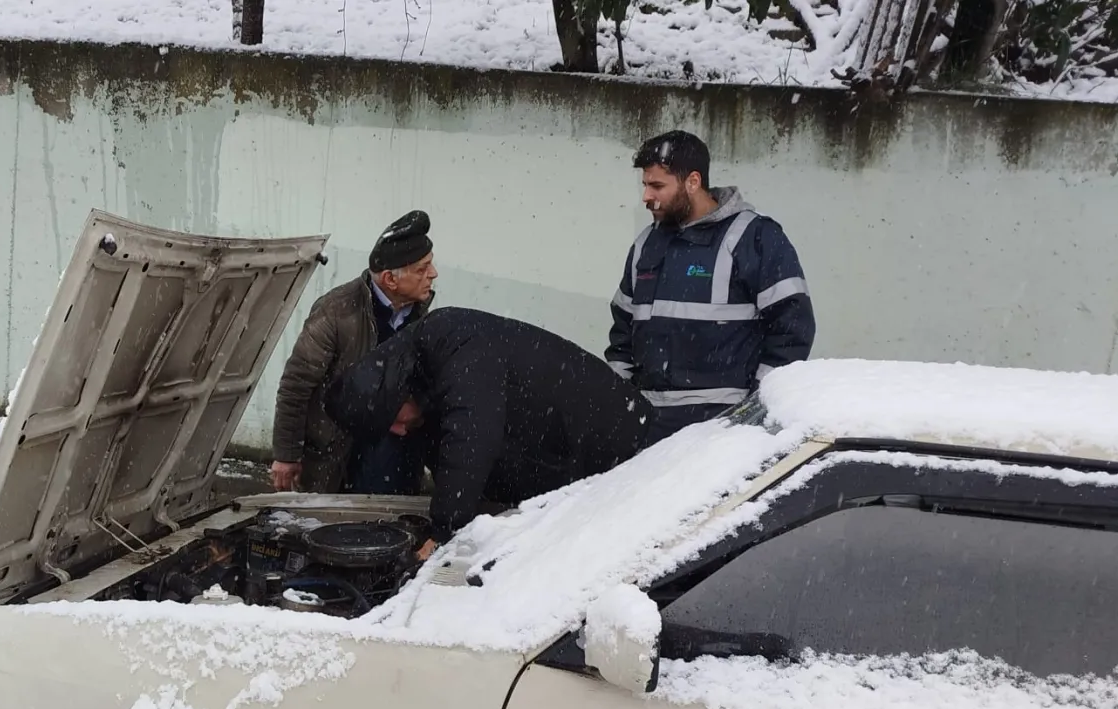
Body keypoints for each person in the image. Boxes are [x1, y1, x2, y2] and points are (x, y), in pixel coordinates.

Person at [324, 307, 651, 556]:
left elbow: (472, 441)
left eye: (390, 421)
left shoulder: (455, 343)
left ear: (390, 395)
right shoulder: (426, 373)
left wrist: (444, 533)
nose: (398, 431)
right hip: (570, 454)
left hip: (622, 443)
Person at [606, 130, 815, 445]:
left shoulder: (754, 238)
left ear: (693, 181)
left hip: (721, 434)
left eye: (657, 186)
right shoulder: (646, 244)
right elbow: (622, 332)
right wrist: (618, 407)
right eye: (645, 185)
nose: (646, 196)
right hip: (647, 429)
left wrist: (753, 413)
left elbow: (793, 330)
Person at [271, 211, 439, 495]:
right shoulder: (336, 312)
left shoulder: (422, 316)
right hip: (337, 454)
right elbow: (296, 385)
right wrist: (286, 455)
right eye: (422, 269)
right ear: (390, 279)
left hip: (394, 456)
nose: (433, 273)